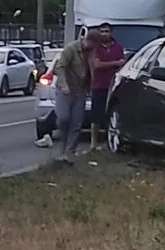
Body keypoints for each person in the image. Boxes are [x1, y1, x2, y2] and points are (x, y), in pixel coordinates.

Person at [54, 31, 100, 162]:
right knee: (64, 118)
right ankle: (61, 148)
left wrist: (91, 88)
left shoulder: (92, 53)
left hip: (80, 90)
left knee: (76, 123)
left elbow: (92, 71)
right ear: (89, 41)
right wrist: (64, 85)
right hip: (66, 90)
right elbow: (60, 67)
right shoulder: (71, 49)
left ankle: (69, 153)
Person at [88, 23, 126, 139]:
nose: (104, 34)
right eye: (102, 31)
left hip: (114, 87)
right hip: (99, 86)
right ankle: (93, 143)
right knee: (96, 117)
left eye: (107, 31)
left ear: (111, 33)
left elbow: (123, 63)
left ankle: (109, 141)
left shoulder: (118, 47)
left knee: (111, 115)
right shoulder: (96, 48)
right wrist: (115, 63)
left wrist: (116, 64)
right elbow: (97, 65)